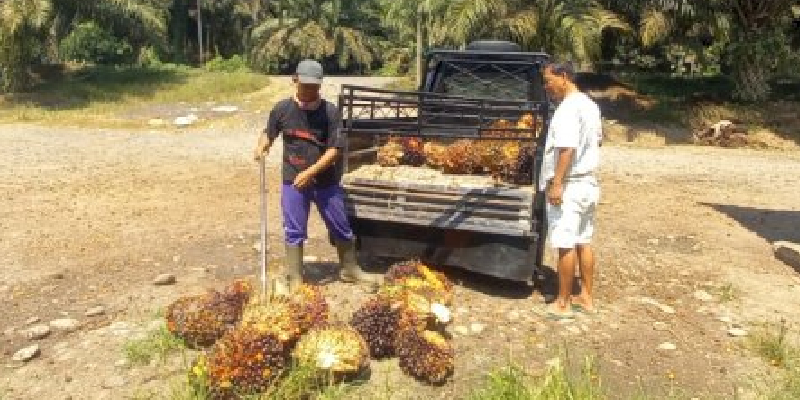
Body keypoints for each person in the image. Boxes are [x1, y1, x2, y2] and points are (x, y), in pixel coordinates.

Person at [253, 59, 382, 293]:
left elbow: (335, 150)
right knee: (294, 229)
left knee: (340, 225)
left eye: (314, 86)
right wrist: (263, 144)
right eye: (305, 85)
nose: (310, 90)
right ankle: (294, 276)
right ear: (295, 80)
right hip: (293, 180)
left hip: (325, 181)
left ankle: (349, 269)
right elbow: (268, 133)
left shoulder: (330, 112)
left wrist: (311, 172)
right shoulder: (282, 109)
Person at [540, 61, 602, 319]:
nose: (546, 87)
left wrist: (557, 184)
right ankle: (586, 297)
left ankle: (563, 302)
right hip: (588, 182)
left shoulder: (566, 109)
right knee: (583, 241)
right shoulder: (589, 105)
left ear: (563, 77)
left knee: (565, 244)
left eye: (548, 80)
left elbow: (567, 148)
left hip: (570, 185)